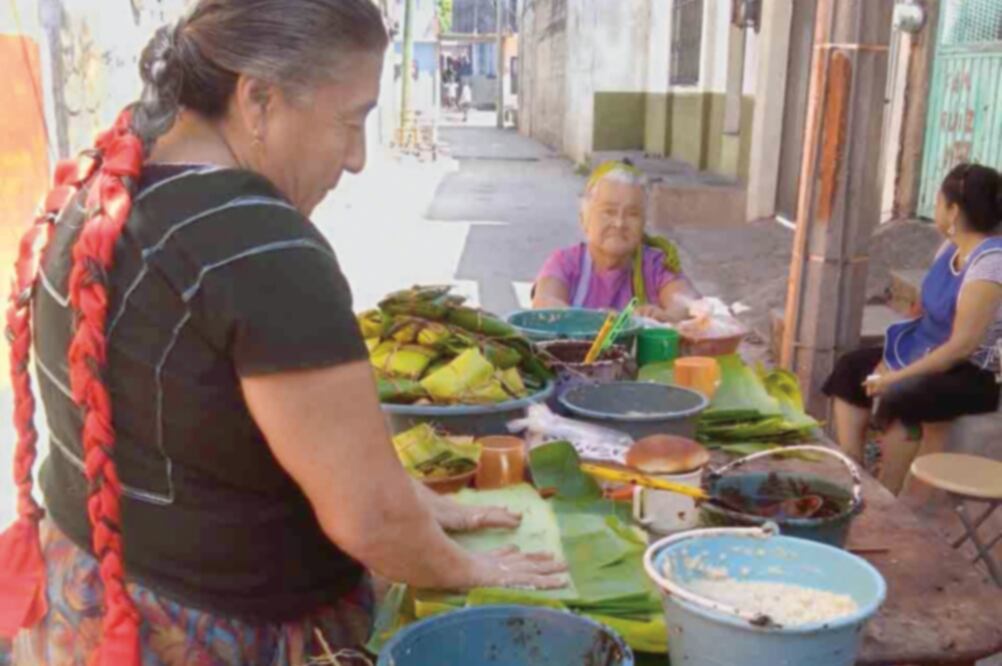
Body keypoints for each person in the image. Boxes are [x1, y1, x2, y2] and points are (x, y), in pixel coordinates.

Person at [0, 2, 564, 664]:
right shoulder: (259, 245)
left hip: (85, 606)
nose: (356, 158)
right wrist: (474, 569)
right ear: (258, 100)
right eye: (350, 121)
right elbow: (370, 523)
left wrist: (414, 501)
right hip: (202, 636)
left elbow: (217, 438)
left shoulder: (101, 187)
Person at [824, 163, 1002, 495]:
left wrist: (896, 376)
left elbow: (960, 348)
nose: (935, 209)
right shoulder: (950, 248)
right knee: (851, 368)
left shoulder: (990, 263)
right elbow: (921, 310)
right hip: (925, 349)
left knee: (902, 396)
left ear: (953, 210)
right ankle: (854, 469)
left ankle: (887, 493)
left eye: (938, 201)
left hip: (973, 374)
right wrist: (892, 356)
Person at [532, 160, 698, 322]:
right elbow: (545, 304)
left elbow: (687, 303)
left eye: (632, 214)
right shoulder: (565, 262)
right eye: (608, 212)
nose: (619, 223)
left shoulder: (656, 265)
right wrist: (604, 321)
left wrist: (667, 317)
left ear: (643, 223)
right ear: (584, 219)